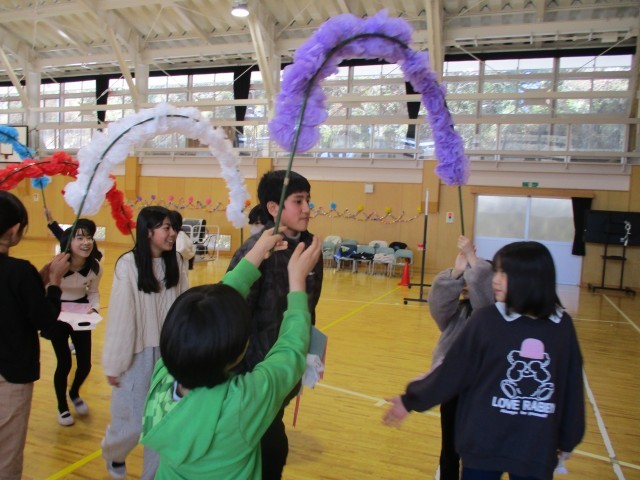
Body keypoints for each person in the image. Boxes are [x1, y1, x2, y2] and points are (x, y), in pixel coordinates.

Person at [384, 241, 585, 480]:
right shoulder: (486, 320)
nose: (495, 280)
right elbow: (451, 371)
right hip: (484, 444)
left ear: (531, 278)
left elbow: (571, 386)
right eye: (496, 272)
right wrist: (411, 399)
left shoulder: (561, 327)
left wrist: (569, 437)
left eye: (504, 273)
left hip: (535, 448)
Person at [141, 229, 321, 479]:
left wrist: (256, 253)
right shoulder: (242, 402)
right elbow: (291, 351)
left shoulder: (162, 376)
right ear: (237, 353)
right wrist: (298, 281)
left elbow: (215, 306)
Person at [227, 170, 323, 479]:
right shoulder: (255, 251)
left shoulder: (310, 247)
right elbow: (233, 311)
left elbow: (309, 307)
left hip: (289, 361)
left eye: (308, 200)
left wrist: (309, 351)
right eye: (298, 201)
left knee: (272, 436)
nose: (307, 208)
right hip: (256, 370)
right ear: (273, 208)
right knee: (268, 445)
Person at [101, 206, 189, 480]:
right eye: (166, 227)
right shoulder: (128, 264)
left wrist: (185, 352)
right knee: (131, 421)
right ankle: (114, 453)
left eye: (174, 228)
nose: (173, 233)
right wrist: (114, 364)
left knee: (162, 422)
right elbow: (120, 318)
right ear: (148, 231)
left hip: (169, 355)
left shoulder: (177, 262)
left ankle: (152, 475)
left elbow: (184, 306)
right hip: (138, 354)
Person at [0, 191, 70, 480]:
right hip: (10, 375)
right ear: (14, 229)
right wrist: (54, 284)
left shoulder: (21, 275)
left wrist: (36, 282)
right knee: (6, 454)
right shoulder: (18, 272)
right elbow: (47, 322)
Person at [427, 235, 494, 480]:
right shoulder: (459, 314)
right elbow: (438, 306)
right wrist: (455, 273)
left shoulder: (494, 316)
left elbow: (485, 303)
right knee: (450, 446)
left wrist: (473, 259)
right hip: (454, 385)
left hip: (484, 389)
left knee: (477, 447)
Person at [49, 220, 103, 426]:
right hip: (58, 312)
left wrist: (94, 308)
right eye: (79, 238)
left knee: (85, 364)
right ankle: (62, 406)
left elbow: (94, 292)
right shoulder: (58, 265)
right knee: (64, 363)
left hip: (81, 311)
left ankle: (74, 392)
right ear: (68, 242)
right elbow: (46, 289)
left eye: (89, 237)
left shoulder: (95, 267)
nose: (86, 242)